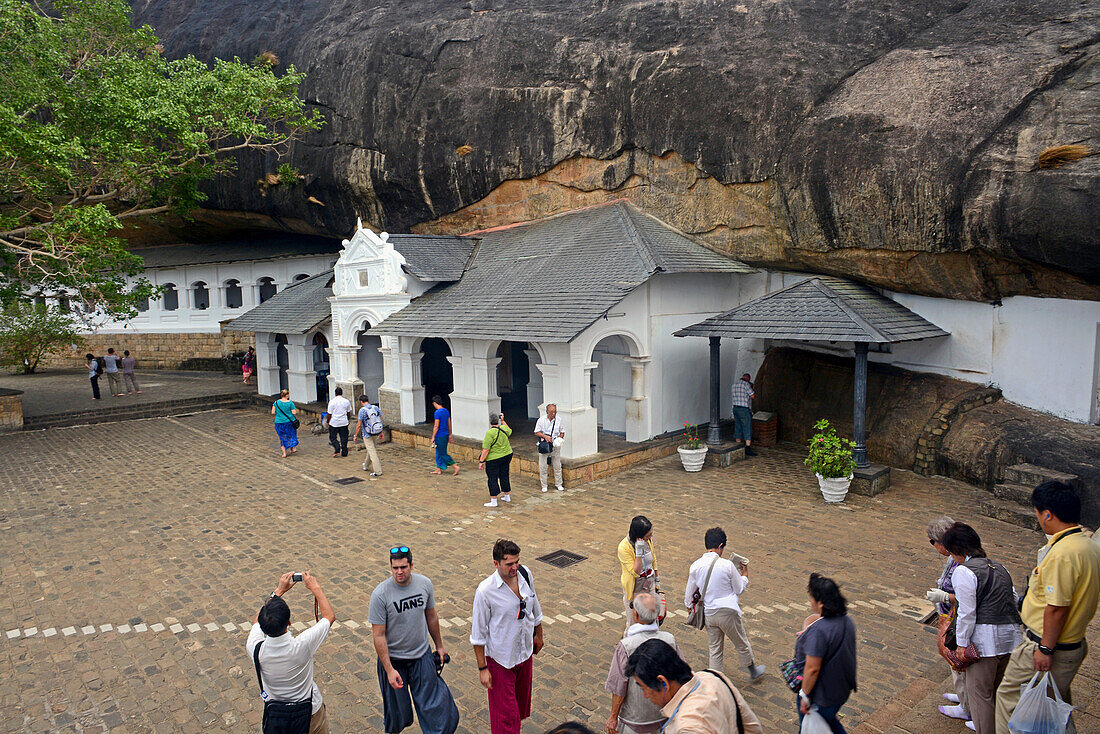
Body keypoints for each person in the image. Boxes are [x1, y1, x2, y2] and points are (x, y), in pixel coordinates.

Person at [994, 480, 1100, 734]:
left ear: (1048, 514)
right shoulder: (1087, 545)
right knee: (1054, 706)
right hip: (1072, 643)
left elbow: (1057, 608)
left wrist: (1044, 648)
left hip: (1048, 645)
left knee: (1009, 702)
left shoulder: (1063, 553)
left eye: (1039, 514)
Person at [940, 522, 1020, 734]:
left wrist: (962, 644)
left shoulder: (964, 572)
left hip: (986, 642)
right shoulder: (1001, 568)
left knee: (980, 697)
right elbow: (1013, 599)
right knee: (995, 692)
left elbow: (967, 612)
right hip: (1010, 639)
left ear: (957, 550)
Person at [369, 546, 459, 734]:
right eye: (395, 568)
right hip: (394, 662)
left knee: (435, 709)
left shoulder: (424, 584)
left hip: (421, 657)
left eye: (403, 567)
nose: (399, 572)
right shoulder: (380, 595)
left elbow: (431, 616)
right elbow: (378, 636)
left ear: (411, 565)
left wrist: (439, 646)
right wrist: (389, 669)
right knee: (398, 715)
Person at [246, 571, 336, 734]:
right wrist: (315, 588)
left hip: (277, 717)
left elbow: (256, 623)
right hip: (309, 713)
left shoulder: (255, 648)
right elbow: (329, 616)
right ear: (289, 622)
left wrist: (278, 591)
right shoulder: (301, 645)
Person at [470, 539, 544, 734]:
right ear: (496, 564)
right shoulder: (485, 591)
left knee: (517, 711)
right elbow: (478, 636)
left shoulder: (525, 574)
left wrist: (539, 634)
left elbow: (535, 607)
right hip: (501, 662)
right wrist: (483, 669)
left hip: (524, 655)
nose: (515, 567)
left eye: (516, 562)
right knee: (505, 719)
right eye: (509, 564)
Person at [624, 638, 762, 734]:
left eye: (643, 688)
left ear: (663, 683)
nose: (645, 696)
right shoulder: (713, 676)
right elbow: (752, 727)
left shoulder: (688, 727)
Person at [684, 528, 764, 681]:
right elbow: (739, 588)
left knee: (715, 648)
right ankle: (753, 670)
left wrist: (689, 607)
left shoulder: (695, 566)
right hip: (728, 612)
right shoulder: (727, 565)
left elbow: (689, 594)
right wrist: (745, 575)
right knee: (740, 641)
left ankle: (715, 680)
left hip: (709, 613)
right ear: (721, 546)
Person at [605, 592, 686, 734]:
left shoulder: (627, 645)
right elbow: (683, 677)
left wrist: (613, 716)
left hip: (635, 718)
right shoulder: (669, 640)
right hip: (663, 716)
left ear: (635, 615)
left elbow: (619, 684)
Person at [793, 573, 857, 734]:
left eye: (812, 598)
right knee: (828, 722)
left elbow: (812, 668)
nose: (810, 602)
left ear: (821, 603)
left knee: (810, 726)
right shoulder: (846, 621)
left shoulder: (819, 632)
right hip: (842, 689)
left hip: (822, 695)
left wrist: (805, 696)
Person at [924, 515, 970, 722]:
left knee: (959, 662)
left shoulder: (962, 563)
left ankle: (967, 706)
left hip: (957, 619)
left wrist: (944, 596)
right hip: (949, 615)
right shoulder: (955, 557)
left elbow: (967, 596)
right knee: (955, 666)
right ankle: (963, 698)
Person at [618, 517, 660, 629]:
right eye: (648, 535)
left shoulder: (648, 540)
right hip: (635, 586)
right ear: (639, 536)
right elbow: (635, 572)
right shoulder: (624, 547)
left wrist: (657, 579)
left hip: (649, 582)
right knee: (633, 621)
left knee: (652, 617)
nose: (650, 538)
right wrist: (639, 552)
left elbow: (653, 559)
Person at [478, 412, 514, 508]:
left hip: (494, 458)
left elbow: (486, 450)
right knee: (504, 475)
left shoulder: (490, 433)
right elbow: (509, 430)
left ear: (490, 422)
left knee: (492, 478)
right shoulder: (503, 429)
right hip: (507, 454)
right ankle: (507, 496)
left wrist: (481, 461)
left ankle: (494, 500)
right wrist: (503, 421)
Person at [534, 403, 566, 492]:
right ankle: (544, 485)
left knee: (557, 465)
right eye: (551, 412)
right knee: (543, 466)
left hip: (555, 445)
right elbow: (536, 432)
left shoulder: (559, 420)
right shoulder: (541, 420)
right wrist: (545, 436)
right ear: (547, 411)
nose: (553, 414)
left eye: (555, 412)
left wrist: (560, 438)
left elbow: (562, 431)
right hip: (545, 445)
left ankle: (559, 484)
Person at [354, 394, 384, 476]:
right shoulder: (375, 408)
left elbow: (359, 424)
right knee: (370, 449)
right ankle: (366, 465)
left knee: (372, 452)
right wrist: (381, 431)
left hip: (367, 434)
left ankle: (378, 471)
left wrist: (355, 435)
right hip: (376, 432)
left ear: (361, 402)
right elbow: (380, 419)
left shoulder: (362, 410)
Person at [429, 395, 459, 476]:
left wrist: (433, 437)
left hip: (439, 435)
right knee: (438, 452)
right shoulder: (446, 411)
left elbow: (436, 426)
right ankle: (439, 469)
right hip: (445, 434)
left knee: (442, 453)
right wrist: (450, 434)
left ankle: (454, 466)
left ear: (435, 403)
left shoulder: (437, 413)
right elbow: (449, 423)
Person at [730, 373, 756, 457]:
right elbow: (752, 396)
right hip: (744, 409)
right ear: (748, 379)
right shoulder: (746, 385)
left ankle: (738, 446)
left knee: (738, 426)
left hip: (735, 408)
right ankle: (747, 447)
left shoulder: (734, 385)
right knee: (747, 426)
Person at [326, 387, 353, 457]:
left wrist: (327, 421)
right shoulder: (346, 401)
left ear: (335, 393)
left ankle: (337, 448)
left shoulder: (332, 401)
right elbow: (348, 412)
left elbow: (329, 414)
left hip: (334, 422)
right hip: (344, 422)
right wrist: (348, 419)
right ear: (342, 393)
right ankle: (344, 452)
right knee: (344, 438)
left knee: (332, 437)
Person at [272, 389, 299, 458]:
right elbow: (294, 412)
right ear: (287, 395)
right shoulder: (290, 403)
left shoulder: (276, 402)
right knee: (290, 434)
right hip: (288, 422)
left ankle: (284, 453)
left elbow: (273, 412)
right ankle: (292, 448)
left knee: (282, 436)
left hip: (279, 422)